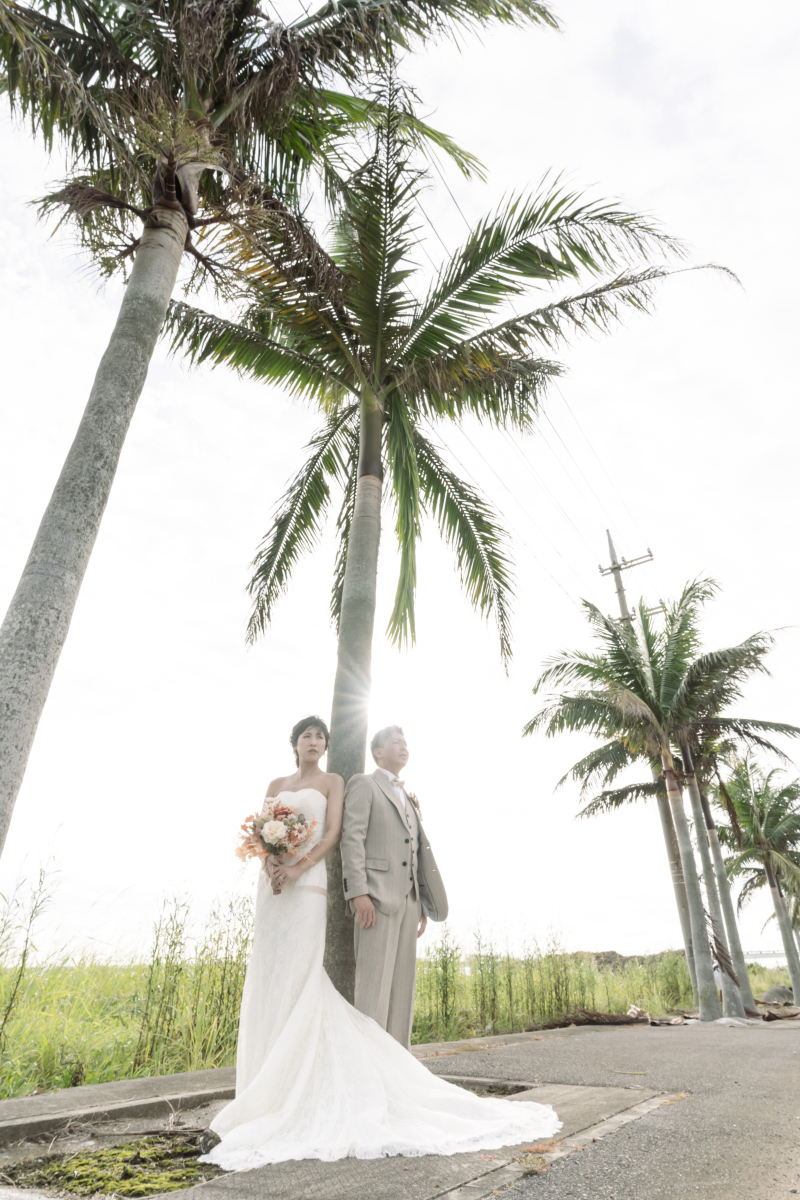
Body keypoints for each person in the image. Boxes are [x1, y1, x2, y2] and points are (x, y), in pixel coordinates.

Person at [202, 715, 559, 1171]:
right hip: (276, 888)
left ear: (327, 746)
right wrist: (275, 866)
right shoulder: (301, 784)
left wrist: (416, 898)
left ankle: (388, 1078)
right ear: (295, 743)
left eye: (320, 736)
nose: (314, 741)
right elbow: (273, 833)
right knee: (276, 976)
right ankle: (270, 1079)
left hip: (315, 882)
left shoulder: (338, 782)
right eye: (307, 735)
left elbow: (334, 835)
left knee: (343, 984)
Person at [340, 725, 447, 1049]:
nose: (403, 747)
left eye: (405, 743)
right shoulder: (364, 784)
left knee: (402, 993)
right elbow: (352, 838)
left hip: (409, 902)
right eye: (396, 742)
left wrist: (421, 902)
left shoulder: (408, 796)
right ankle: (366, 1065)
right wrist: (358, 893)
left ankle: (399, 1065)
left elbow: (414, 852)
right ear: (378, 752)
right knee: (372, 990)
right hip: (374, 899)